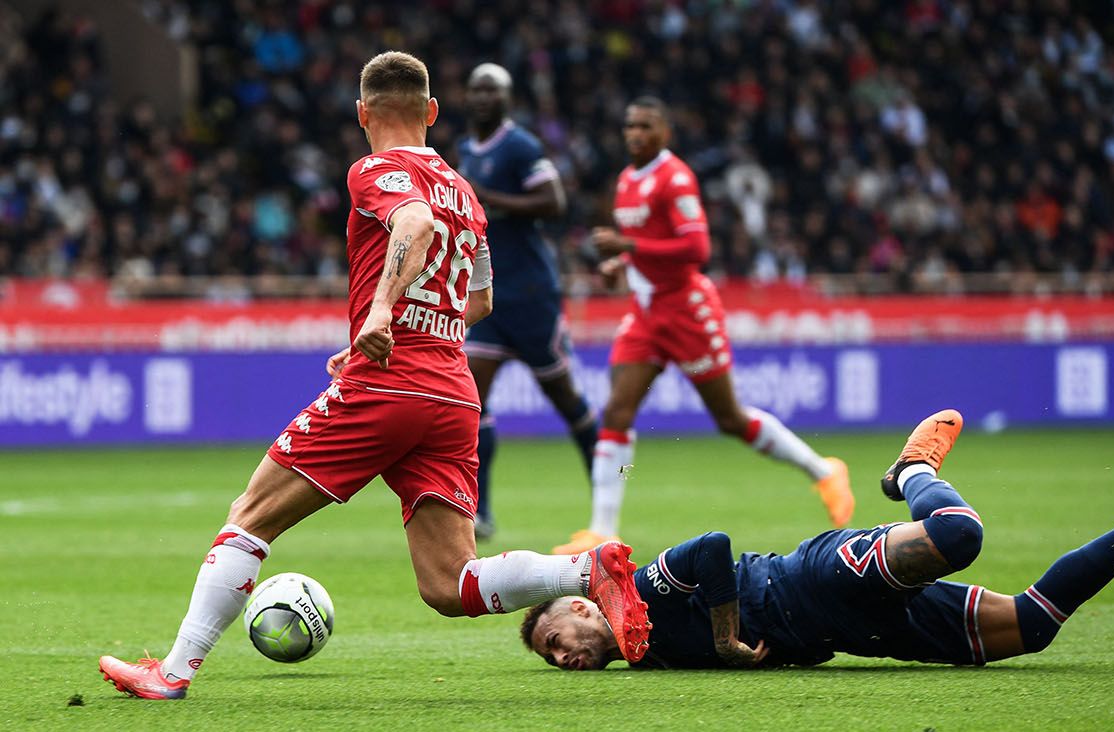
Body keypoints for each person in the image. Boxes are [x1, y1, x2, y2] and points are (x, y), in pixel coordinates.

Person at [98, 51, 650, 700]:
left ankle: (173, 672)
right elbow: (481, 300)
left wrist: (384, 313)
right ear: (434, 113)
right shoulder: (467, 193)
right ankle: (590, 570)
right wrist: (406, 326)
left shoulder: (374, 169)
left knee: (249, 516)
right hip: (452, 392)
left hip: (387, 385)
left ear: (363, 114)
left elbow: (411, 222)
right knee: (449, 583)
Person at [522, 409, 1114, 670]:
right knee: (1031, 627)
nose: (561, 657)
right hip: (853, 630)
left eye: (555, 638)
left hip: (815, 581)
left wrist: (721, 639)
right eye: (553, 660)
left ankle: (910, 467)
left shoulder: (641, 594)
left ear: (586, 610)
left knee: (959, 534)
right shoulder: (640, 658)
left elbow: (712, 547)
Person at [553, 97, 853, 554]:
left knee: (730, 418)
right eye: (630, 125)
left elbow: (696, 248)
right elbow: (650, 245)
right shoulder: (625, 181)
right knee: (617, 411)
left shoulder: (675, 178)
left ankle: (824, 471)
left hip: (688, 310)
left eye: (646, 126)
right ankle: (602, 529)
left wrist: (627, 244)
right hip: (647, 310)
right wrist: (621, 263)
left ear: (665, 133)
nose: (635, 133)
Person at [456, 63, 598, 541]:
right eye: (476, 90)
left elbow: (554, 201)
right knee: (472, 402)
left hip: (533, 296)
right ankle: (482, 511)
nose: (482, 98)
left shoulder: (520, 146)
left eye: (491, 90)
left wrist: (489, 197)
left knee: (567, 403)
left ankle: (606, 504)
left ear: (507, 98)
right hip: (488, 298)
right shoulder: (464, 151)